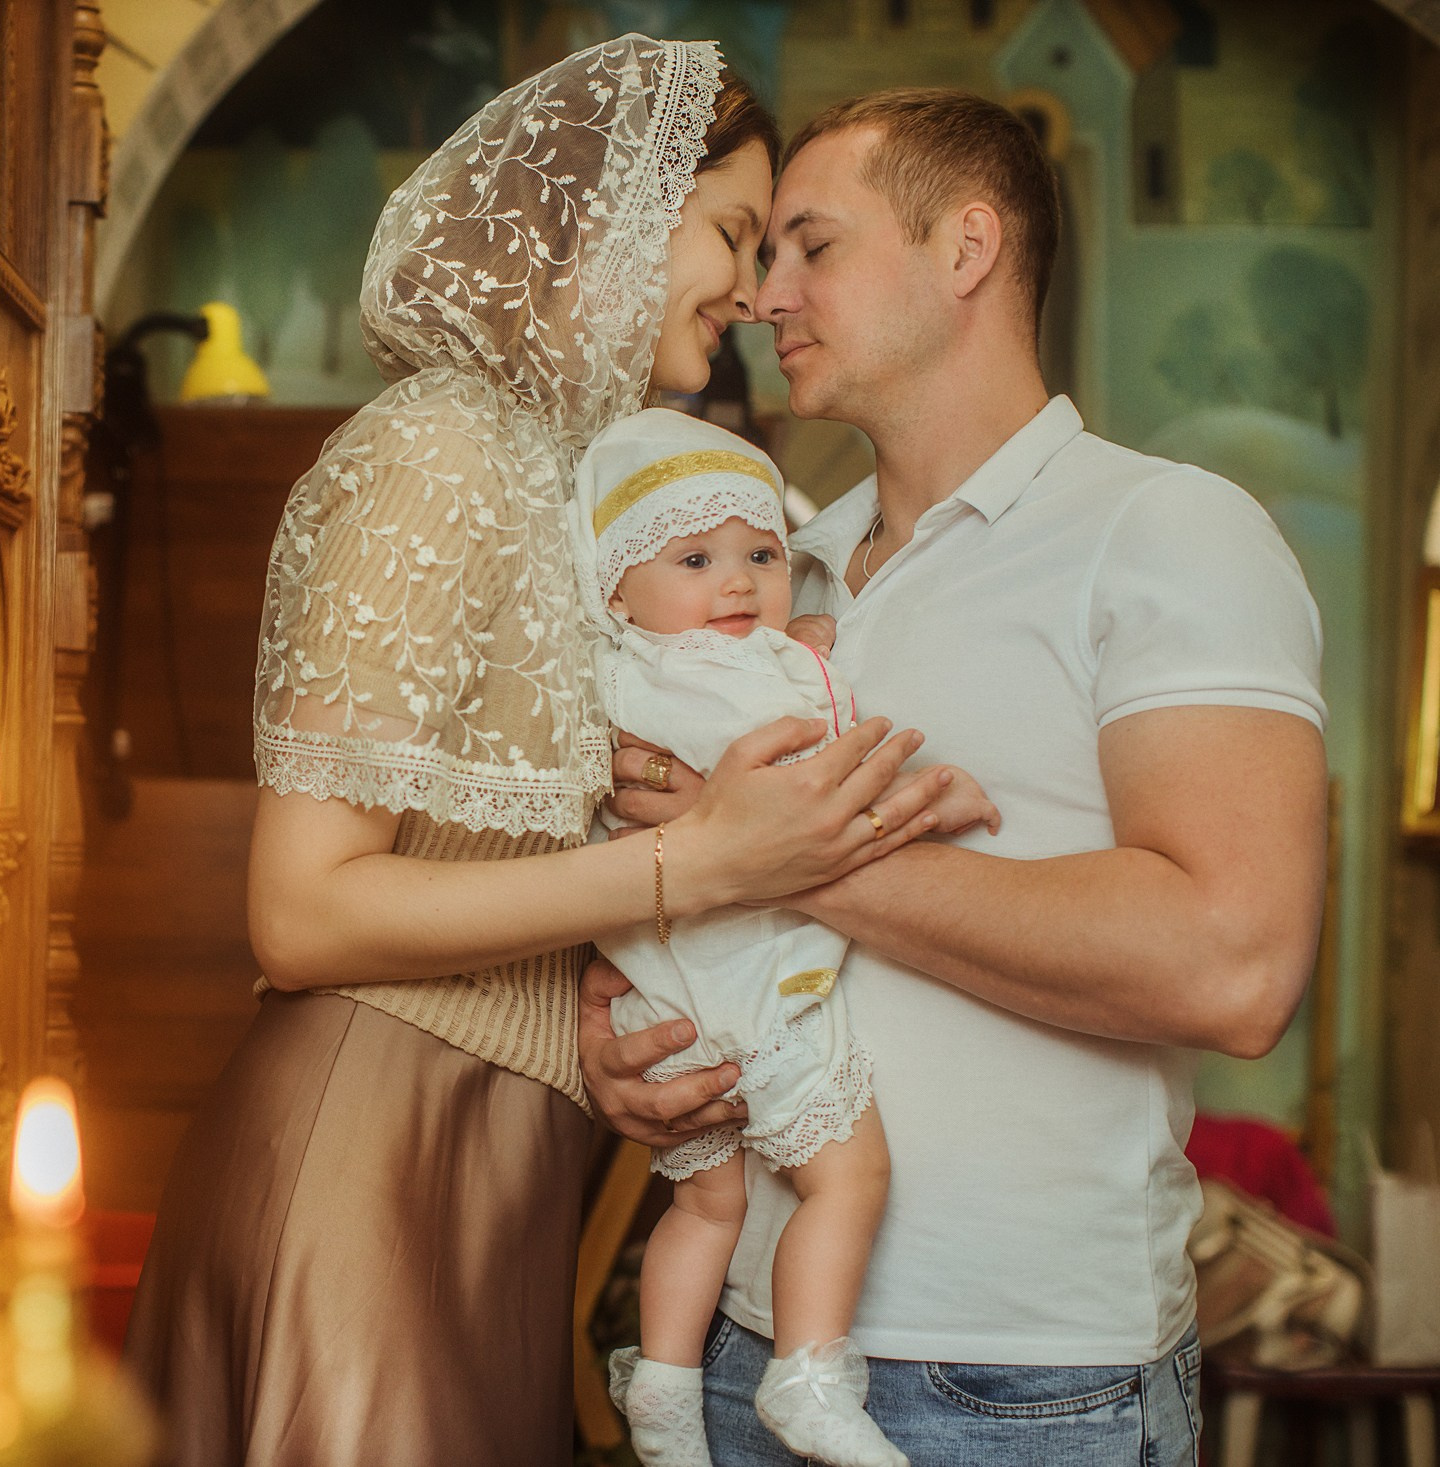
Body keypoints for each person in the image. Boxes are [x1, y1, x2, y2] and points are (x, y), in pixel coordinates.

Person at [122, 39, 954, 1467]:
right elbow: (301, 910)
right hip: (374, 1142)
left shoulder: (564, 483)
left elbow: (499, 861)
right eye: (734, 234)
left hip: (496, 1149)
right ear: (616, 218)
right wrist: (698, 863)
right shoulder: (443, 448)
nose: (752, 291)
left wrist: (596, 1020)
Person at [581, 88, 1328, 1465]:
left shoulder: (1169, 531)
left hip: (1025, 1384)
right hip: (741, 1339)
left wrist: (789, 856)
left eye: (812, 247)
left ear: (967, 246)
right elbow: (678, 884)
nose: (764, 294)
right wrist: (618, 1046)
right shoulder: (771, 574)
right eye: (763, 254)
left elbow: (1235, 966)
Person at [573, 410, 995, 1467]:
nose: (737, 582)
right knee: (846, 1178)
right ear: (616, 589)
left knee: (705, 1205)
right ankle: (807, 1375)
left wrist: (788, 644)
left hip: (660, 999)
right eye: (696, 559)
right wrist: (930, 797)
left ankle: (663, 1389)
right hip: (748, 983)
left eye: (762, 555)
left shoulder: (619, 677)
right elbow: (805, 807)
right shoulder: (724, 684)